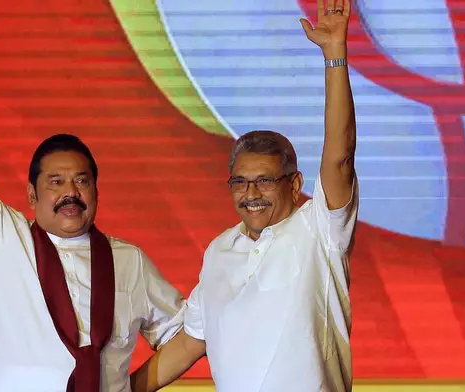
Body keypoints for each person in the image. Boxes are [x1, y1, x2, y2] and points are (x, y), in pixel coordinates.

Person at [0, 16, 186, 392]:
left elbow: (187, 333)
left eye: (82, 181)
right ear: (32, 195)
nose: (71, 192)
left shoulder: (129, 261)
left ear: (97, 191)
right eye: (55, 182)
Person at [130, 0, 358, 391]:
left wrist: (335, 55)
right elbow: (188, 343)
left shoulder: (319, 230)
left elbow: (339, 159)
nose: (251, 193)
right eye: (239, 182)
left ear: (295, 183)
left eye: (265, 181)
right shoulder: (219, 251)